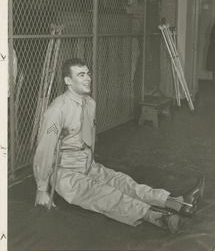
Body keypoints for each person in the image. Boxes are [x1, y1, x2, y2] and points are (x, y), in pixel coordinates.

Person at [33, 58, 205, 233]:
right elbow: (44, 151)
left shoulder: (90, 103)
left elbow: (89, 136)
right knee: (104, 193)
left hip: (86, 164)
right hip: (64, 172)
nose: (88, 78)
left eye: (88, 74)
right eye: (81, 75)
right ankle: (157, 216)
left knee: (123, 182)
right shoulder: (57, 110)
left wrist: (90, 163)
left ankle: (177, 203)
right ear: (68, 81)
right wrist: (41, 189)